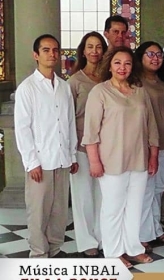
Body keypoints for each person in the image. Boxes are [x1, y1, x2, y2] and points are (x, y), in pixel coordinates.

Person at [82, 46, 159, 268]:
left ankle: (133, 248)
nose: (122, 67)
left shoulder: (140, 90)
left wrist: (153, 155)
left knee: (135, 207)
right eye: (117, 63)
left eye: (126, 63)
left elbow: (151, 127)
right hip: (111, 161)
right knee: (113, 209)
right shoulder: (100, 92)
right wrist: (94, 161)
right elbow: (91, 132)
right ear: (110, 65)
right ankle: (113, 253)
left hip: (139, 159)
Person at [15, 34, 78, 258]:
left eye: (55, 50)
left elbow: (69, 123)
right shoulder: (28, 88)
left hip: (62, 159)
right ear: (36, 55)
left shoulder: (63, 87)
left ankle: (55, 250)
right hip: (40, 161)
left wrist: (72, 155)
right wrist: (31, 162)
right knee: (39, 212)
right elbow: (23, 129)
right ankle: (39, 255)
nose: (52, 54)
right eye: (46, 50)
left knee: (59, 212)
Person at [67, 32, 108, 258]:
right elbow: (68, 117)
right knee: (83, 197)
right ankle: (86, 241)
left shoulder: (108, 79)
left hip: (107, 147)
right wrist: (71, 152)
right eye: (90, 47)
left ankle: (103, 237)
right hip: (81, 147)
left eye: (98, 46)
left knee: (104, 196)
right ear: (83, 51)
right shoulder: (74, 82)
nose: (94, 51)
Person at [134, 41, 164, 252]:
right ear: (140, 57)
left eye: (159, 54)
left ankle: (155, 228)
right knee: (146, 191)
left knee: (158, 189)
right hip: (146, 145)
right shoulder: (136, 84)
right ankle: (143, 234)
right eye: (150, 54)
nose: (155, 58)